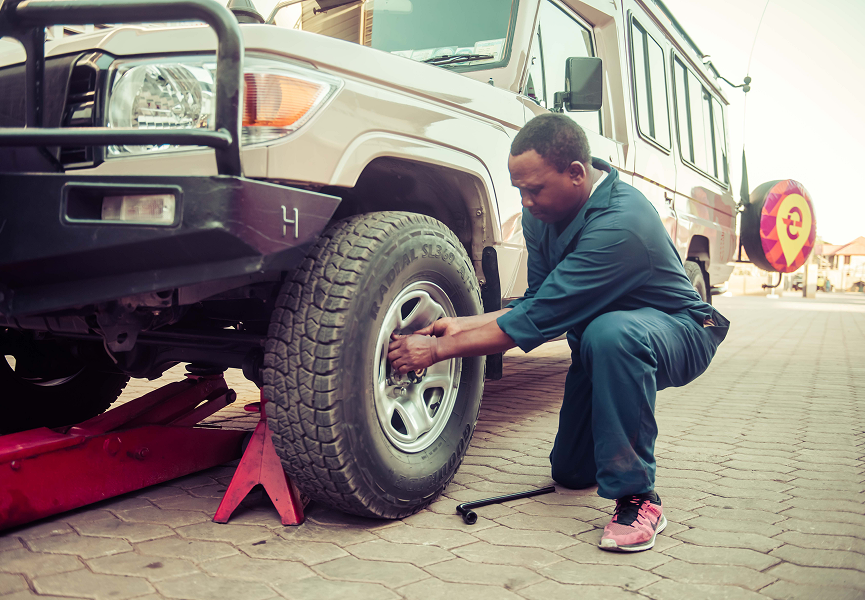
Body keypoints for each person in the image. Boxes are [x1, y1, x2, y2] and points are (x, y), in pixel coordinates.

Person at [388, 113, 729, 552]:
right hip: (600, 343)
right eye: (519, 191)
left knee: (611, 333)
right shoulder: (543, 216)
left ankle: (640, 498)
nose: (526, 203)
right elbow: (539, 299)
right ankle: (610, 466)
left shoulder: (621, 223)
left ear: (576, 174)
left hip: (680, 332)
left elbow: (537, 322)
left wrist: (436, 352)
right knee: (570, 472)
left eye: (534, 189)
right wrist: (465, 323)